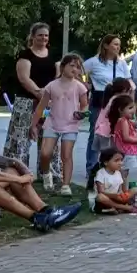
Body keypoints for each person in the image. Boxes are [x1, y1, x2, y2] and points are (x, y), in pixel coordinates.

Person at [0, 116, 81, 231]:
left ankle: (46, 210)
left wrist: (26, 173)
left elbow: (11, 162)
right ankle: (37, 218)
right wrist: (18, 180)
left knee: (12, 171)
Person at [31, 54, 88, 196]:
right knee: (45, 153)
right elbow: (41, 107)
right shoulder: (51, 86)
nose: (74, 69)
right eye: (72, 65)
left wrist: (82, 113)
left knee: (66, 155)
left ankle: (65, 185)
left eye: (78, 67)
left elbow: (85, 106)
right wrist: (33, 124)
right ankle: (46, 174)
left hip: (70, 125)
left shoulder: (80, 87)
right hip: (52, 123)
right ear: (63, 67)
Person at [3, 22, 58, 169]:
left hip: (48, 104)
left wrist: (49, 97)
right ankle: (17, 170)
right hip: (26, 102)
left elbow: (58, 77)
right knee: (21, 137)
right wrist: (41, 95)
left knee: (48, 135)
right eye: (40, 35)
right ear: (33, 36)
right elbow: (24, 78)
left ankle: (48, 171)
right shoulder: (25, 55)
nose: (43, 38)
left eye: (46, 35)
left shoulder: (53, 55)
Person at [83, 35, 129, 179]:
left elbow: (128, 81)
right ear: (106, 46)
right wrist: (85, 85)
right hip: (100, 100)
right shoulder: (94, 62)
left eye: (118, 45)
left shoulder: (121, 63)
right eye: (115, 44)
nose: (117, 48)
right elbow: (78, 72)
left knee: (116, 135)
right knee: (97, 134)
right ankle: (91, 166)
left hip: (118, 103)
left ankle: (112, 165)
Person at [93, 79, 134, 165]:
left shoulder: (111, 98)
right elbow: (120, 118)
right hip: (107, 133)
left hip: (101, 131)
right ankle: (106, 175)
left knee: (105, 158)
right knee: (109, 158)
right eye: (128, 91)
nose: (129, 94)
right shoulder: (118, 101)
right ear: (123, 90)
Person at [88, 146, 137, 215]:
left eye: (121, 160)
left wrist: (123, 194)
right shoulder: (101, 173)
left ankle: (116, 208)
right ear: (106, 162)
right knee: (100, 197)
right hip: (105, 200)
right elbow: (101, 192)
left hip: (116, 198)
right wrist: (114, 195)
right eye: (116, 160)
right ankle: (123, 207)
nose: (120, 163)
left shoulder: (118, 172)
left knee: (135, 190)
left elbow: (123, 190)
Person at [109, 94, 137, 185]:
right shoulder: (123, 121)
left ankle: (122, 192)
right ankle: (123, 193)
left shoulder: (124, 121)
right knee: (123, 174)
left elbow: (130, 134)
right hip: (125, 151)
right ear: (120, 109)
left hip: (123, 151)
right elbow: (126, 138)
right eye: (130, 108)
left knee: (123, 173)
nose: (133, 110)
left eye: (133, 107)